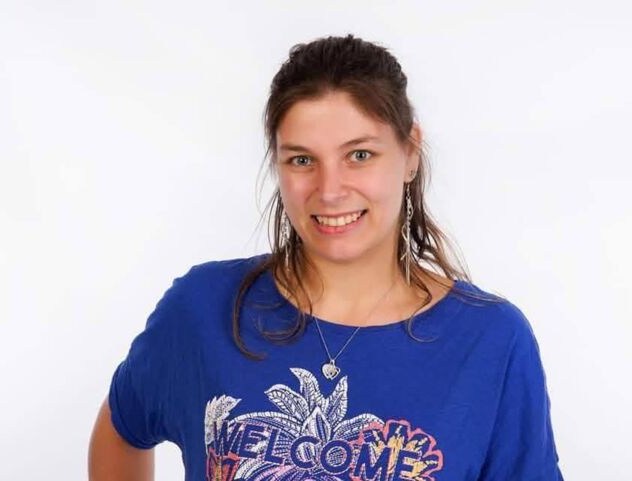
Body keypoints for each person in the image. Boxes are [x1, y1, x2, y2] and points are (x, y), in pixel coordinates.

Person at [88, 34, 564, 481]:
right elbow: (122, 428)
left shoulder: (492, 340)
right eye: (302, 160)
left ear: (410, 152)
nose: (330, 190)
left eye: (359, 155)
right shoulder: (203, 308)